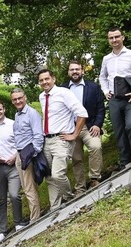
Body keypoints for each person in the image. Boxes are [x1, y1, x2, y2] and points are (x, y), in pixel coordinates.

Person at [99, 27, 131, 169]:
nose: (114, 40)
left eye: (117, 37)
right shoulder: (106, 59)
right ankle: (125, 163)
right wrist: (105, 91)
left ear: (123, 37)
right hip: (114, 100)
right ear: (108, 40)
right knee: (119, 131)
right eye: (111, 38)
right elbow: (102, 77)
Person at [38, 69, 88, 210]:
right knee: (49, 177)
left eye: (47, 79)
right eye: (41, 80)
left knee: (58, 174)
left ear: (53, 78)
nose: (44, 82)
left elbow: (82, 113)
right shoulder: (42, 96)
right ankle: (55, 207)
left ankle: (69, 198)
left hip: (61, 139)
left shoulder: (64, 93)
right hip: (47, 140)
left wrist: (74, 134)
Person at [61, 61, 106, 195]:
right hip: (71, 128)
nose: (74, 72)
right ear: (68, 72)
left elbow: (100, 108)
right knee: (76, 159)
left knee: (96, 147)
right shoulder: (62, 90)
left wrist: (98, 124)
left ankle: (94, 179)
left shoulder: (93, 87)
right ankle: (80, 188)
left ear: (82, 71)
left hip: (89, 126)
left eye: (77, 69)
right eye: (72, 70)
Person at [0, 100, 24, 242]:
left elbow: (21, 143)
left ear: (4, 109)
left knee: (14, 195)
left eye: (0, 109)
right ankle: (2, 230)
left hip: (13, 165)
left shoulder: (13, 124)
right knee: (0, 199)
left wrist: (15, 156)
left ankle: (18, 223)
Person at [11, 88, 43, 222]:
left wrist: (31, 155)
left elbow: (38, 137)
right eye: (14, 99)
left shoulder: (32, 114)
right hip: (19, 154)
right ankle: (34, 216)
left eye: (20, 98)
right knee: (27, 188)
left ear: (25, 97)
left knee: (29, 189)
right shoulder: (17, 115)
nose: (18, 101)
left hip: (27, 154)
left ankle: (34, 219)